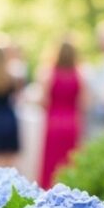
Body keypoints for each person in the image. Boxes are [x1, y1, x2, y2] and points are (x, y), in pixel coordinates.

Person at [38, 39, 86, 190]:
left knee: (51, 163)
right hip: (72, 123)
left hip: (53, 123)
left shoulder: (50, 74)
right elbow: (84, 103)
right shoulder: (78, 75)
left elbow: (43, 100)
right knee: (69, 163)